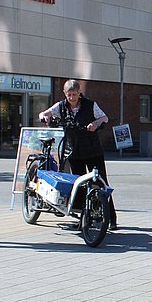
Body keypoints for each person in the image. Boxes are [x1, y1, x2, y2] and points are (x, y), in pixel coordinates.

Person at [39, 79, 118, 229]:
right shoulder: (61, 106)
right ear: (65, 94)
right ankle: (84, 218)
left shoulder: (90, 105)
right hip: (74, 151)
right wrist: (44, 116)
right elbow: (44, 113)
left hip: (93, 149)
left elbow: (104, 117)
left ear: (79, 93)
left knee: (101, 183)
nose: (72, 98)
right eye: (69, 95)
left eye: (74, 94)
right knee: (79, 184)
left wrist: (95, 124)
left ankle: (111, 218)